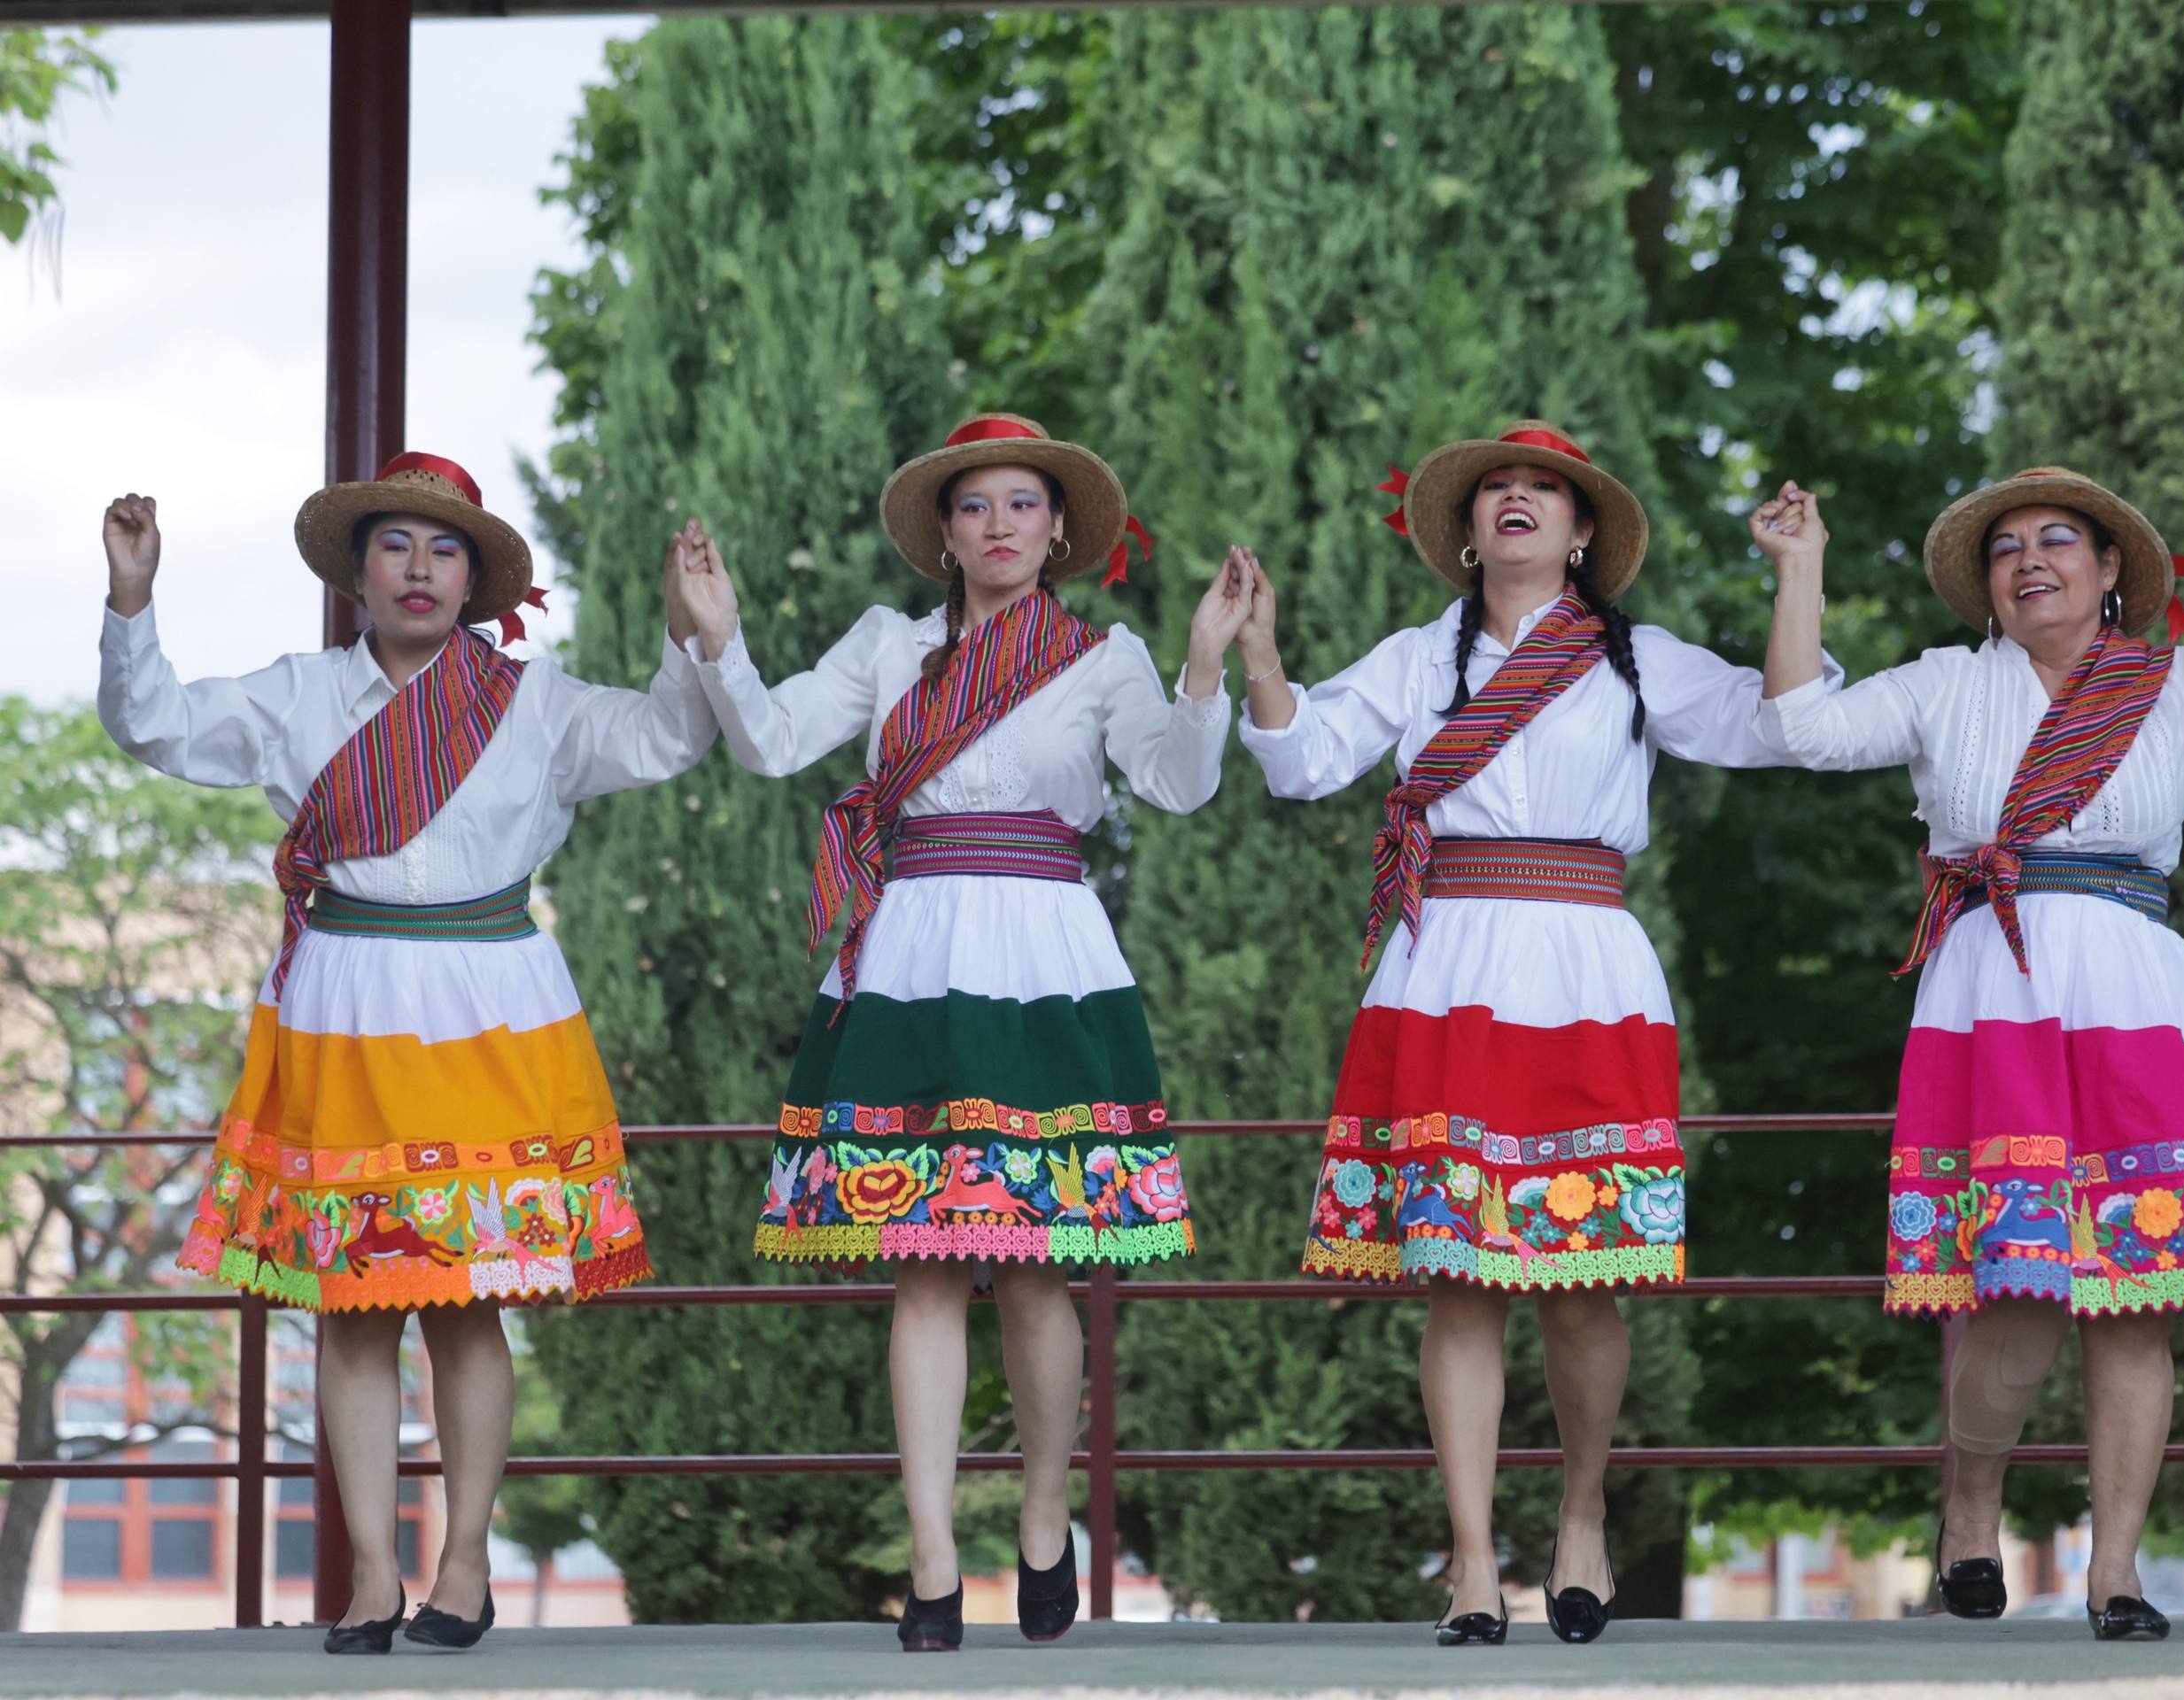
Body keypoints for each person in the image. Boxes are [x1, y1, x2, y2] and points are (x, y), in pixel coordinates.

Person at [97, 454, 720, 1652]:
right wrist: (134, 602)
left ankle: (466, 1559)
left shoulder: (536, 704)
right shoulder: (296, 694)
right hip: (345, 1004)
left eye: (446, 550)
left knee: (469, 1301)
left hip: (491, 1004)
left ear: (477, 579)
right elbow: (154, 724)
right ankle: (374, 1572)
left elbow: (663, 739)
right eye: (397, 545)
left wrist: (695, 638)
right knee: (354, 1302)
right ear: (357, 571)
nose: (421, 569)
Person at [1229, 420, 1834, 1647]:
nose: (1516, 502)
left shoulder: (1639, 660)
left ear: (1581, 533)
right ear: (1467, 530)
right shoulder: (1415, 657)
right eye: (1496, 489)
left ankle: (1578, 1513)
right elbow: (1300, 762)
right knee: (1458, 1280)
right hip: (1444, 959)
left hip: (1582, 966)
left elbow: (1779, 725)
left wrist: (1798, 575)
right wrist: (1260, 650)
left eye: (1542, 491)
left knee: (1580, 1281)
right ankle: (1466, 1562)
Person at [1751, 468, 2184, 1641]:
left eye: (2058, 540)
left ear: (2110, 575)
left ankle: (2115, 1573)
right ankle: (1973, 1508)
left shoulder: (2178, 686)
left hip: (2136, 994)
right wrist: (1800, 571)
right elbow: (1802, 727)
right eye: (2005, 549)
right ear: (1986, 590)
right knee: (2015, 1295)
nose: (2030, 558)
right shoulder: (1945, 686)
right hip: (1996, 993)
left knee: (2139, 1298)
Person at [666, 413, 1251, 1650]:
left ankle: (1044, 1517)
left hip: (1043, 950)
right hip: (913, 949)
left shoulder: (1104, 657)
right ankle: (933, 1561)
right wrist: (720, 642)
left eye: (1023, 505)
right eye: (975, 505)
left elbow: (1177, 781)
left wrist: (1205, 664)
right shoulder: (890, 645)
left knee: (1041, 1263)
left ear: (1059, 532)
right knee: (921, 1259)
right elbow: (772, 743)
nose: (999, 525)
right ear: (944, 531)